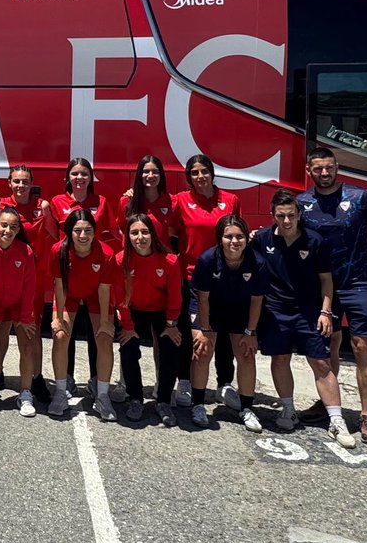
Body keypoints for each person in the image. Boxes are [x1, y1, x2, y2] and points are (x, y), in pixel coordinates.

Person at [295, 148, 367, 446]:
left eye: (329, 168)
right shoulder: (303, 203)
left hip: (361, 284)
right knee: (326, 349)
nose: (324, 174)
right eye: (318, 169)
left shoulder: (362, 198)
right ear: (308, 170)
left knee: (363, 346)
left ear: (337, 167)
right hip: (322, 287)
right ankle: (330, 406)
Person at [250, 188, 356, 448]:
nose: (286, 221)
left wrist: (326, 311)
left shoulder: (314, 241)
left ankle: (336, 420)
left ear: (299, 214)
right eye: (280, 216)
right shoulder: (261, 239)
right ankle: (288, 409)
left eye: (291, 215)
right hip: (275, 311)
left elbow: (326, 280)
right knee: (280, 359)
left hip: (309, 311)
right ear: (272, 216)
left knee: (321, 363)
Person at [170, 153, 242, 410]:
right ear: (189, 177)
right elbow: (167, 231)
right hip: (190, 277)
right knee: (192, 334)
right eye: (194, 173)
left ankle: (225, 383)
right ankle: (185, 381)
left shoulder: (230, 200)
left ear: (212, 173)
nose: (200, 177)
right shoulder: (180, 201)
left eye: (204, 171)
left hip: (225, 278)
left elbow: (236, 237)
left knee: (223, 333)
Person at [48, 157, 118, 397]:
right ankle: (65, 378)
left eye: (84, 174)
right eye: (75, 174)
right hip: (68, 270)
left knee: (97, 331)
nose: (79, 178)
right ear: (67, 177)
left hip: (94, 272)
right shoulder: (58, 202)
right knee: (64, 330)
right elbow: (51, 230)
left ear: (91, 178)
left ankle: (96, 379)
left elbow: (110, 233)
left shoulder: (101, 202)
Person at [189, 214, 266, 431]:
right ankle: (197, 404)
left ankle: (247, 408)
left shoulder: (257, 262)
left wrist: (251, 332)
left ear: (246, 238)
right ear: (220, 239)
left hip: (239, 310)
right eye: (229, 236)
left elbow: (257, 300)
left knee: (247, 354)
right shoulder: (207, 259)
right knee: (201, 351)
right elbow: (202, 298)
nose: (234, 241)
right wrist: (204, 330)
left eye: (240, 236)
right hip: (210, 308)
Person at [115, 213, 183, 426]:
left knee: (170, 349)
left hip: (161, 312)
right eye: (134, 232)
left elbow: (175, 296)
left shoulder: (170, 260)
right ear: (128, 236)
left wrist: (171, 324)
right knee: (128, 348)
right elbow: (120, 297)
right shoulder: (120, 260)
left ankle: (163, 400)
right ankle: (135, 398)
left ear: (153, 235)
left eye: (144, 232)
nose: (140, 237)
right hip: (134, 310)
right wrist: (127, 326)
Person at [51, 209, 118, 420]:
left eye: (88, 230)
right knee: (60, 336)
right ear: (69, 233)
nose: (83, 235)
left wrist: (106, 323)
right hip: (69, 294)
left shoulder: (106, 254)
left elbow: (104, 289)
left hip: (96, 295)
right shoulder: (58, 251)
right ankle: (61, 392)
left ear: (94, 232)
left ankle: (103, 396)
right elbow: (59, 287)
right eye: (77, 230)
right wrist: (58, 319)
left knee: (105, 339)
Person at [0, 164, 54, 397]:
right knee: (2, 326)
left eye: (25, 181)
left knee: (33, 329)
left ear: (32, 184)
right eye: (16, 181)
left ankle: (36, 376)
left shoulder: (42, 207)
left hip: (33, 277)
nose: (21, 186)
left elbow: (54, 234)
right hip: (5, 275)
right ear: (9, 183)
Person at [0, 207, 39, 415]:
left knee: (27, 345)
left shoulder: (25, 251)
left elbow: (30, 287)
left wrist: (26, 316)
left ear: (18, 229)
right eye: (3, 225)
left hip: (18, 303)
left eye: (13, 227)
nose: (7, 230)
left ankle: (26, 393)